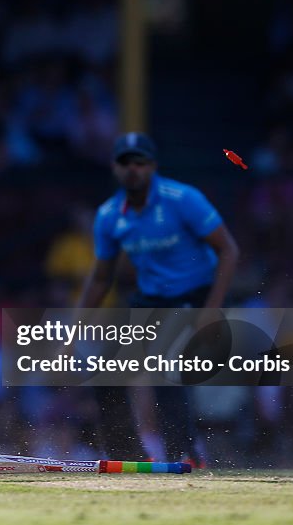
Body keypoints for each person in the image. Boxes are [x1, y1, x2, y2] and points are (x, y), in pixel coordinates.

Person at [77, 132, 239, 463]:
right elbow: (102, 276)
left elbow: (229, 250)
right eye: (126, 163)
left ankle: (184, 453)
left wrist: (211, 309)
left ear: (153, 166)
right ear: (114, 168)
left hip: (195, 295)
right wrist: (75, 326)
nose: (133, 169)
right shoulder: (109, 215)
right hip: (152, 299)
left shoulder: (183, 199)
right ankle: (126, 454)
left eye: (140, 162)